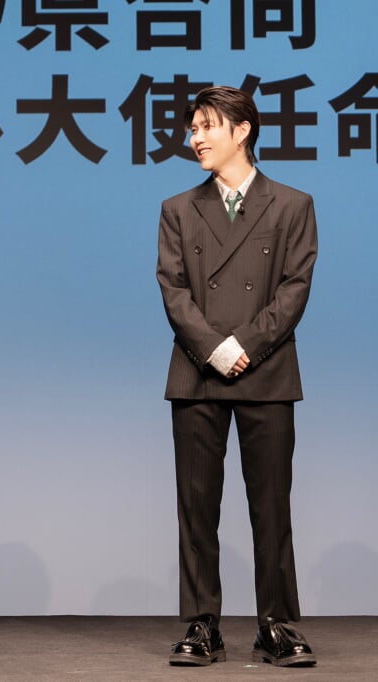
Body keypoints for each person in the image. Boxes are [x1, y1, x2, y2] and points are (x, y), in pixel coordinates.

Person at [156, 86, 318, 667]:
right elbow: (173, 289)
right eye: (192, 128)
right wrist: (214, 349)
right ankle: (202, 624)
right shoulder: (178, 208)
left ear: (242, 130)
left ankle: (276, 624)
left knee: (271, 505)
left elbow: (294, 288)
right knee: (196, 505)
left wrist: (244, 345)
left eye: (206, 126)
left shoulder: (292, 204)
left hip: (266, 369)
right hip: (197, 370)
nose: (194, 138)